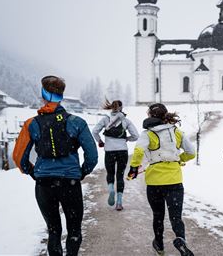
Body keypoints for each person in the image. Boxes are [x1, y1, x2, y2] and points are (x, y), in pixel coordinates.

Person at [13, 75, 98, 256]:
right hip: (70, 183)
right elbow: (92, 155)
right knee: (74, 230)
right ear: (61, 95)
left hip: (44, 184)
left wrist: (33, 172)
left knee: (53, 230)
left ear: (43, 94)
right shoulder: (77, 122)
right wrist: (81, 172)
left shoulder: (32, 124)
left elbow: (18, 156)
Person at [127, 103, 195, 256]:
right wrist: (179, 159)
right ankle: (180, 239)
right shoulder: (177, 131)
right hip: (174, 181)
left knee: (158, 215)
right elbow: (191, 152)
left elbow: (138, 150)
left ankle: (159, 245)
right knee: (176, 216)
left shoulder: (148, 133)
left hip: (155, 183)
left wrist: (133, 168)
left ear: (150, 116)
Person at [92, 99, 138, 210]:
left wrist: (100, 141)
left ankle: (111, 189)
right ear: (122, 108)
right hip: (122, 150)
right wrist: (126, 138)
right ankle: (119, 202)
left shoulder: (105, 119)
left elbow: (94, 131)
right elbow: (136, 136)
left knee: (110, 173)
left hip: (109, 151)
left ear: (111, 108)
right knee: (120, 175)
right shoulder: (126, 121)